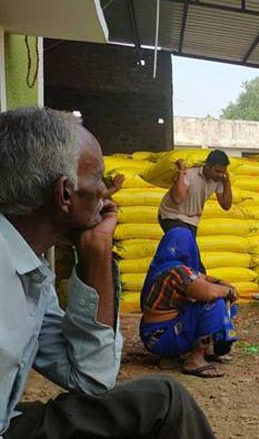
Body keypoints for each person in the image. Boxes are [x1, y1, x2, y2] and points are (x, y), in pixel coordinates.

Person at [0, 107, 214, 438]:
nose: (105, 192)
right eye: (98, 177)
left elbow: (91, 376)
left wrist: (97, 255)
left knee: (163, 400)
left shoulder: (32, 271)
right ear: (65, 193)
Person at [139, 228, 238, 378]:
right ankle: (195, 360)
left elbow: (202, 277)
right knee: (214, 303)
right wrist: (229, 291)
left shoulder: (162, 267)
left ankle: (171, 357)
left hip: (154, 336)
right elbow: (209, 292)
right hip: (165, 338)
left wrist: (220, 282)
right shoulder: (177, 271)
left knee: (209, 300)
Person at [158, 149, 233, 237]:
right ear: (208, 166)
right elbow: (177, 198)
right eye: (217, 171)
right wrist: (181, 171)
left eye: (223, 172)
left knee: (189, 249)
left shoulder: (219, 180)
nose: (220, 175)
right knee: (183, 241)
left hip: (192, 220)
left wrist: (227, 182)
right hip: (172, 215)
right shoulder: (190, 173)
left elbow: (226, 206)